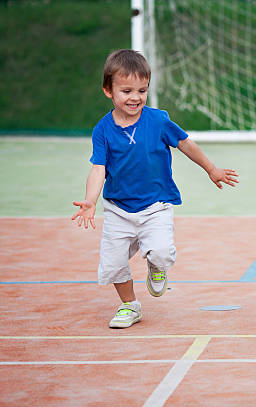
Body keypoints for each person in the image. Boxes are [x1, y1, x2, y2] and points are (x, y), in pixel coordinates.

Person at [72, 49, 239, 328]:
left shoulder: (158, 120)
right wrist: (90, 200)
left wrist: (211, 168)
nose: (135, 97)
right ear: (108, 91)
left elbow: (185, 143)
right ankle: (130, 306)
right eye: (126, 90)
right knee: (113, 264)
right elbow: (98, 167)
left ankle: (156, 266)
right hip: (118, 209)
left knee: (160, 251)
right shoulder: (103, 129)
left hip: (155, 205)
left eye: (142, 90)